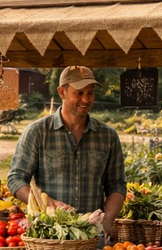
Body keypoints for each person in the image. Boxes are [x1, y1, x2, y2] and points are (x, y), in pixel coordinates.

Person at [7, 65, 126, 238]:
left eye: (90, 93)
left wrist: (107, 219)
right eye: (79, 93)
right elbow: (15, 179)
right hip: (48, 234)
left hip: (91, 234)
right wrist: (46, 203)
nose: (86, 99)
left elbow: (117, 184)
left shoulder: (108, 136)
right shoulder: (37, 132)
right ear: (62, 92)